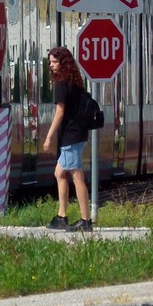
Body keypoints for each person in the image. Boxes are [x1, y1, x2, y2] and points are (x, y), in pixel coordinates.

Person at [42, 46, 92, 232]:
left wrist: (48, 136)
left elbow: (60, 112)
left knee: (76, 175)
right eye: (50, 62)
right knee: (59, 173)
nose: (52, 65)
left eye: (55, 62)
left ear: (63, 63)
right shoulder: (74, 81)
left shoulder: (62, 83)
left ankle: (86, 220)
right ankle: (62, 216)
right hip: (77, 134)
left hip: (71, 135)